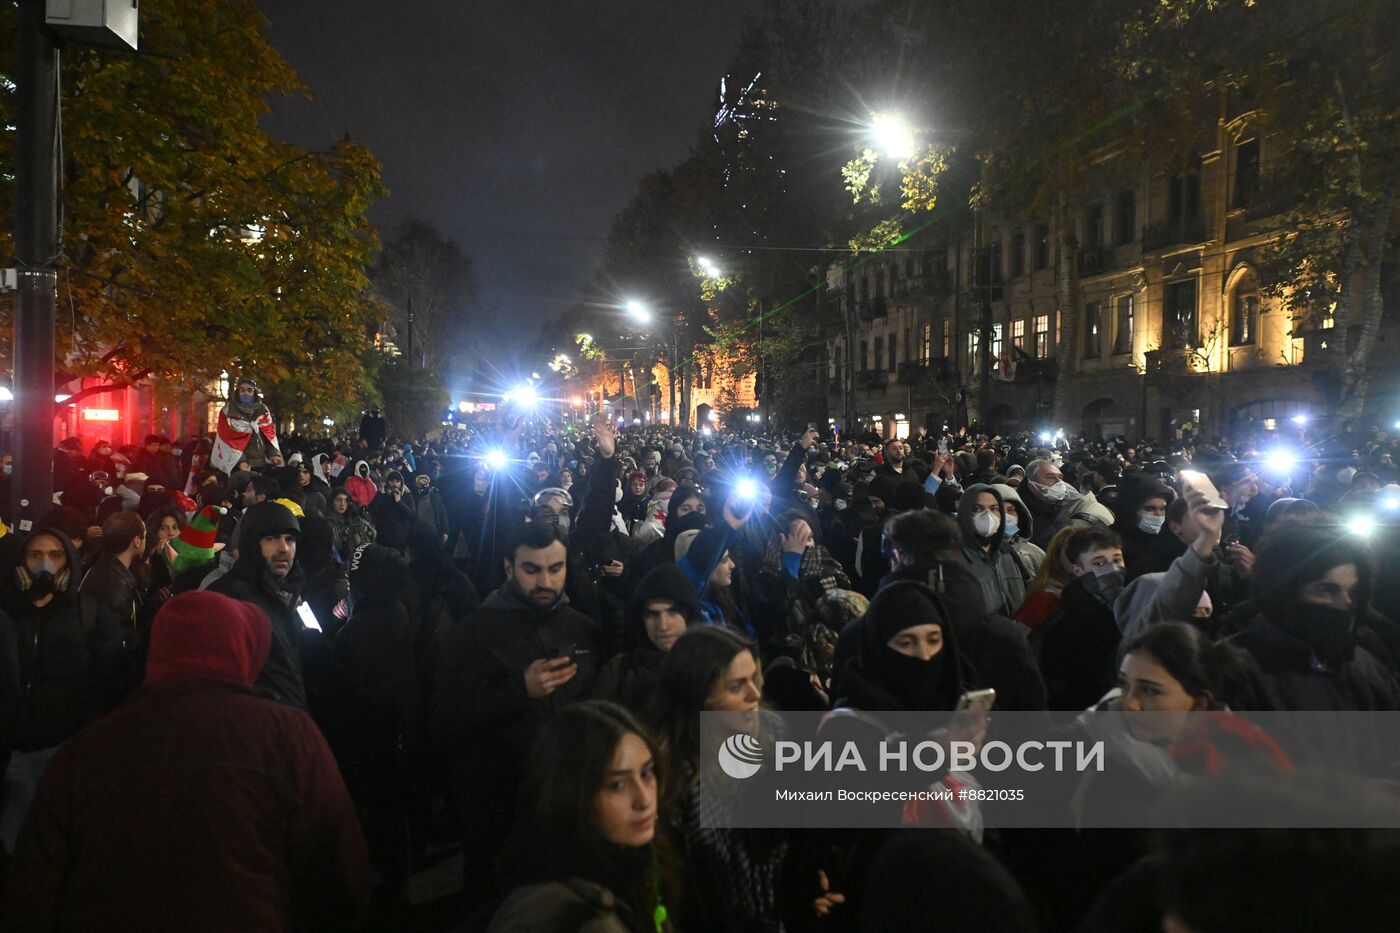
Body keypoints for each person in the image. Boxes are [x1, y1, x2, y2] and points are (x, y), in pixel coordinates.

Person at [1, 591, 370, 932]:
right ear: (243, 648)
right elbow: (338, 867)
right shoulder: (288, 736)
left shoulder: (86, 751)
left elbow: (34, 891)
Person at [431, 521, 605, 900]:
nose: (545, 581)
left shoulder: (583, 630)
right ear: (508, 568)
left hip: (571, 807)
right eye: (532, 569)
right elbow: (445, 723)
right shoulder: (472, 634)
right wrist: (518, 690)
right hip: (498, 815)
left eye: (555, 569)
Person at [488, 701, 675, 933]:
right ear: (573, 794)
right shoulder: (557, 911)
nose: (644, 800)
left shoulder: (635, 856)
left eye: (646, 773)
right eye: (616, 785)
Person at [0, 529, 113, 853]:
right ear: (20, 562)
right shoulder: (6, 612)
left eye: (55, 555)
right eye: (35, 555)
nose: (44, 564)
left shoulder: (88, 614)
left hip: (62, 751)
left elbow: (103, 681)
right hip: (10, 751)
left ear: (69, 564)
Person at [208, 501, 313, 708]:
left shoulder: (292, 593)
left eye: (290, 540)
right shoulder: (228, 598)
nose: (283, 548)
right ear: (252, 544)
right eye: (271, 538)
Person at [1036, 527, 1129, 711]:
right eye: (1099, 564)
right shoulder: (1065, 627)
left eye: (1117, 560)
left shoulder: (1134, 606)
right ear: (1078, 570)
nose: (1113, 569)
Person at [592, 565, 699, 714]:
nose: (663, 626)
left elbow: (729, 734)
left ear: (689, 615)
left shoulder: (710, 669)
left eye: (672, 612)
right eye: (652, 615)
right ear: (641, 620)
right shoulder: (618, 673)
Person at [956, 484, 1028, 618]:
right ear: (965, 512)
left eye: (994, 508)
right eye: (978, 509)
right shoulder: (954, 559)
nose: (987, 514)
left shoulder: (1008, 554)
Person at [369, 471, 418, 552]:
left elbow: (412, 515)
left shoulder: (407, 496)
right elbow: (373, 509)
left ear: (401, 483)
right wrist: (380, 494)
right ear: (387, 482)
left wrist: (400, 502)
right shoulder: (383, 496)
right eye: (392, 481)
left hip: (401, 536)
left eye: (397, 481)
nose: (394, 484)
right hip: (384, 535)